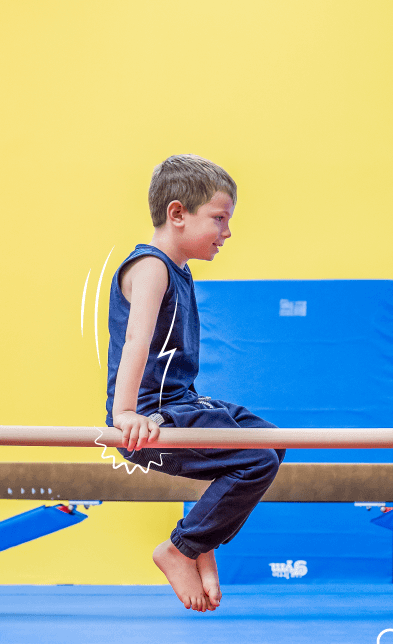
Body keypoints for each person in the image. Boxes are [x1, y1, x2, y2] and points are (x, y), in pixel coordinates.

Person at [105, 155, 284, 613]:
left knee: (271, 442)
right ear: (178, 213)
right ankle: (181, 548)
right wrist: (124, 414)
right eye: (219, 218)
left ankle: (201, 543)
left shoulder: (178, 268)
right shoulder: (151, 267)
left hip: (182, 403)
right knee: (256, 459)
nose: (227, 232)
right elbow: (135, 342)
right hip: (153, 416)